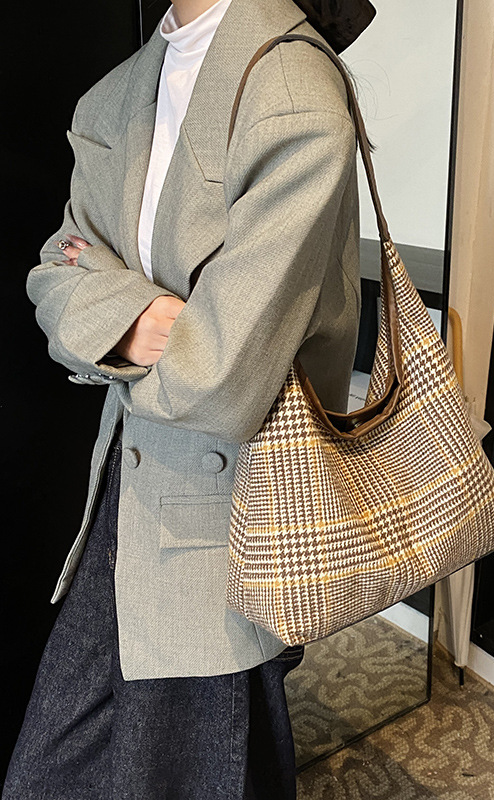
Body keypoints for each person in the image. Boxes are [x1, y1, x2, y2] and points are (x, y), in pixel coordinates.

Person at [3, 0, 375, 797]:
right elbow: (52, 269)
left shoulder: (292, 92)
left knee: (194, 771)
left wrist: (102, 307)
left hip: (227, 519)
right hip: (123, 490)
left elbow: (221, 378)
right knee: (50, 774)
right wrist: (140, 319)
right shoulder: (116, 95)